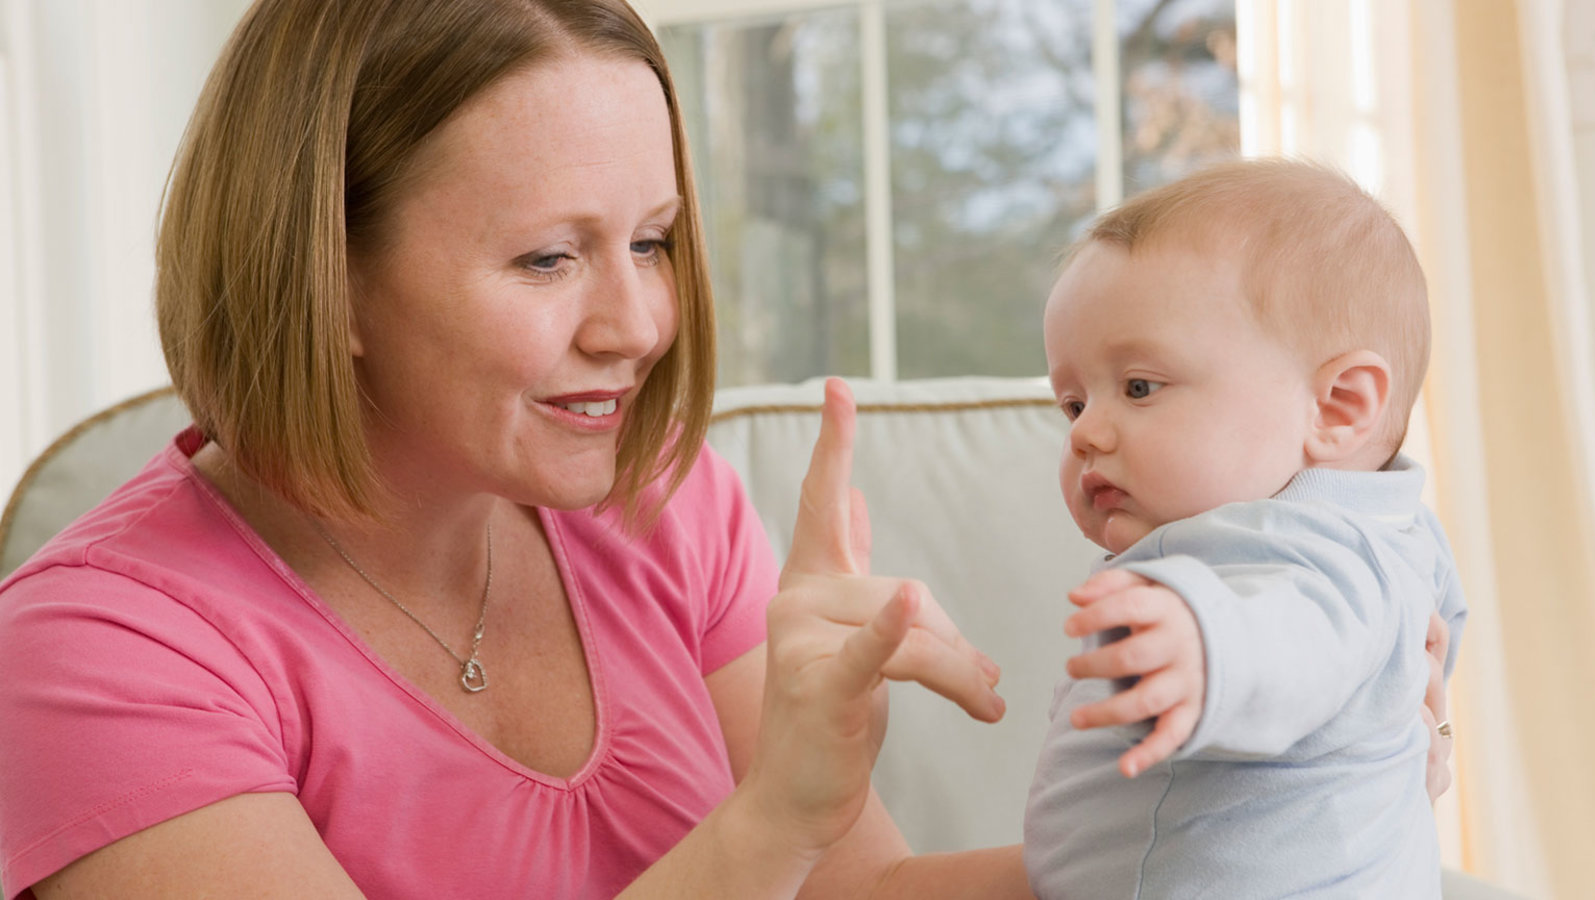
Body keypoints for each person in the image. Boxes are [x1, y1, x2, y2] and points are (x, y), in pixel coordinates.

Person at [0, 1, 1024, 897]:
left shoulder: (660, 501)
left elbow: (859, 894)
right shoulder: (96, 655)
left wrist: (1153, 824)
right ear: (330, 274)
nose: (635, 327)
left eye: (650, 242)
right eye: (547, 258)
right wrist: (769, 827)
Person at [1022, 158, 1468, 898]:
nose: (1085, 433)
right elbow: (1423, 647)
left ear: (1337, 407)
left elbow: (1288, 631)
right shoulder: (1398, 537)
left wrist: (1207, 641)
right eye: (1072, 404)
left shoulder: (1311, 552)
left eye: (1139, 387)